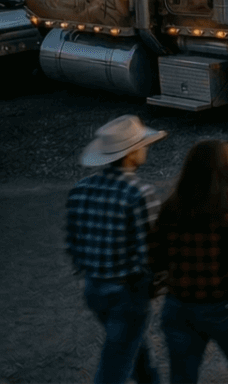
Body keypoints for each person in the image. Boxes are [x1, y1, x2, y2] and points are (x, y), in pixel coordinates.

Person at [150, 140, 228, 384]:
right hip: (224, 309)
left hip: (179, 307)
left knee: (182, 378)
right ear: (224, 170)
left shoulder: (170, 209)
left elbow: (155, 258)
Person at [67, 115, 166, 384]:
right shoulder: (140, 192)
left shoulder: (80, 190)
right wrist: (157, 284)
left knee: (134, 351)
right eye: (142, 145)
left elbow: (73, 243)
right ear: (131, 153)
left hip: (94, 289)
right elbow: (154, 252)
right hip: (128, 293)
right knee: (115, 366)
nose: (146, 149)